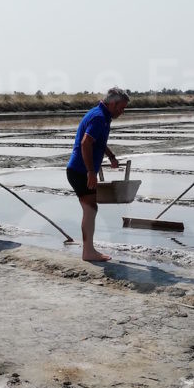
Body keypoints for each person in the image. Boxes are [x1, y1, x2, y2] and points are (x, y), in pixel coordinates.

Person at [67, 87, 130, 261]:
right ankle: (88, 252)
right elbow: (86, 143)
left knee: (90, 209)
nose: (122, 112)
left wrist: (111, 156)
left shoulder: (102, 115)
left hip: (80, 170)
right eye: (122, 108)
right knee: (90, 209)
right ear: (113, 104)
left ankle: (89, 250)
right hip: (80, 171)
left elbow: (98, 142)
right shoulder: (99, 117)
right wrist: (90, 172)